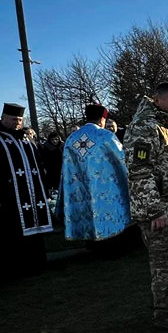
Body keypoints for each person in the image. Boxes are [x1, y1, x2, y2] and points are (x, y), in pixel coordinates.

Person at [126, 84, 168, 328]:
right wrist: (155, 210)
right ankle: (163, 311)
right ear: (156, 100)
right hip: (156, 211)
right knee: (165, 261)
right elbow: (139, 171)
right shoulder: (144, 128)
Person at [0, 103, 54, 282]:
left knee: (34, 231)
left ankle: (36, 265)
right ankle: (13, 270)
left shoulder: (26, 138)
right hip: (8, 198)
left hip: (32, 196)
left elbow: (39, 164)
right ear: (3, 118)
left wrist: (44, 186)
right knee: (10, 236)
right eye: (13, 119)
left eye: (19, 119)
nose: (16, 122)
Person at [59, 103, 130, 242]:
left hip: (80, 186)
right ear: (102, 119)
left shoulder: (71, 138)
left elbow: (67, 167)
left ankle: (89, 240)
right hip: (104, 186)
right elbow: (122, 158)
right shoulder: (105, 135)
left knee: (87, 209)